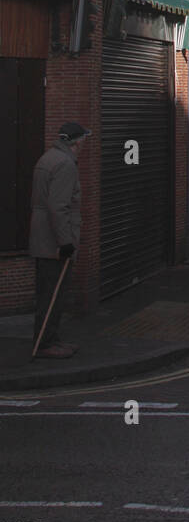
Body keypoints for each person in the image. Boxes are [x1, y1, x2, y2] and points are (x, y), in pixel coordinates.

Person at [29, 121, 90, 359]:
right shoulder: (65, 165)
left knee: (48, 293)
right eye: (83, 139)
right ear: (76, 142)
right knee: (53, 295)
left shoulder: (49, 158)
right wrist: (65, 243)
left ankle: (51, 339)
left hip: (43, 238)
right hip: (53, 243)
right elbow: (59, 207)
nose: (84, 144)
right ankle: (45, 344)